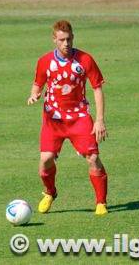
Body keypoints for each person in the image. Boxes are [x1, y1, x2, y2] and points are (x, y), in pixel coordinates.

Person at [27, 20, 108, 216]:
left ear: (73, 37)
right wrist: (34, 94)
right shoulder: (44, 61)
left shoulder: (85, 59)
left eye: (69, 39)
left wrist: (99, 120)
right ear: (54, 39)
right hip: (53, 119)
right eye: (62, 40)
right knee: (45, 160)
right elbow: (38, 83)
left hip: (79, 117)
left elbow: (97, 88)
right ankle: (50, 192)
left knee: (94, 158)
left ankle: (101, 203)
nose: (66, 43)